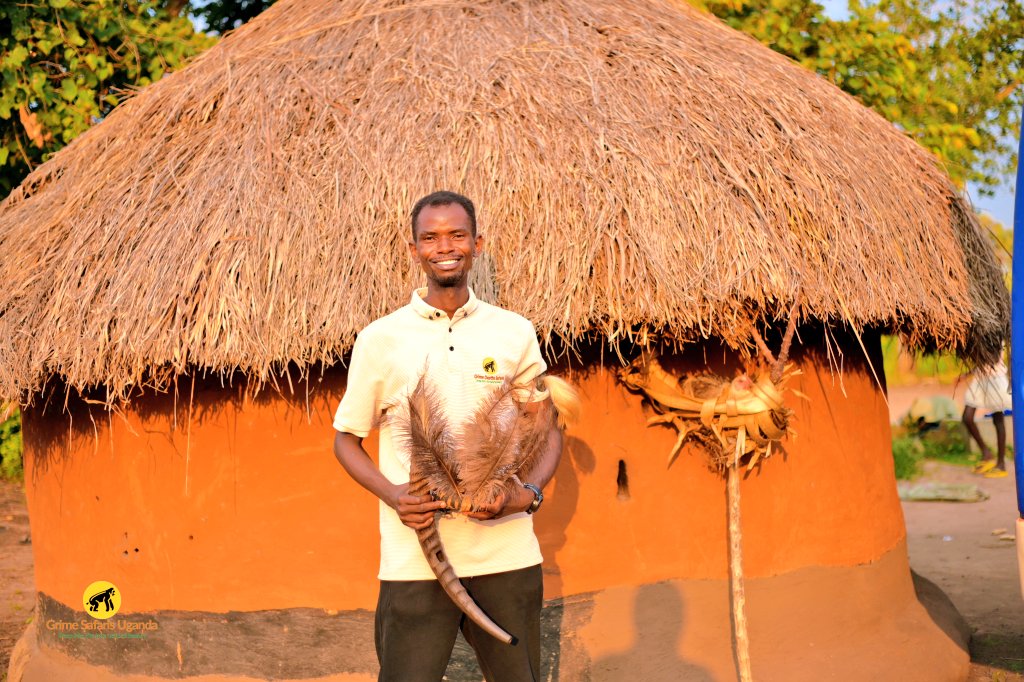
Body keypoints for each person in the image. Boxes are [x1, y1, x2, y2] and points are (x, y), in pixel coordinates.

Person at [332, 190, 562, 682]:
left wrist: (528, 494)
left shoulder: (513, 330)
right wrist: (394, 495)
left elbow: (547, 427)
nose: (445, 246)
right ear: (413, 249)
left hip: (506, 554)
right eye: (430, 237)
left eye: (457, 235)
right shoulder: (380, 338)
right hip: (413, 560)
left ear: (477, 243)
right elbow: (345, 438)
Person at [962, 355, 1011, 478]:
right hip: (980, 377)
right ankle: (986, 453)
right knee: (967, 417)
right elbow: (981, 358)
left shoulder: (996, 336)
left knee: (998, 420)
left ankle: (1001, 464)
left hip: (995, 378)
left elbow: (991, 358)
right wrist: (968, 373)